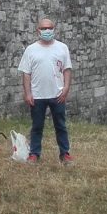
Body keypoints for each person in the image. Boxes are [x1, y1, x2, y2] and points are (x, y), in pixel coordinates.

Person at [18, 17, 73, 165]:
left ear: (54, 29)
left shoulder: (62, 48)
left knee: (60, 125)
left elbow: (67, 70)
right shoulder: (31, 50)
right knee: (37, 126)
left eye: (50, 28)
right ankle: (34, 154)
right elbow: (26, 73)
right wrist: (28, 93)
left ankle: (65, 153)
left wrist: (66, 88)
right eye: (44, 28)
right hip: (37, 95)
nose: (47, 31)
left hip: (57, 94)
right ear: (38, 31)